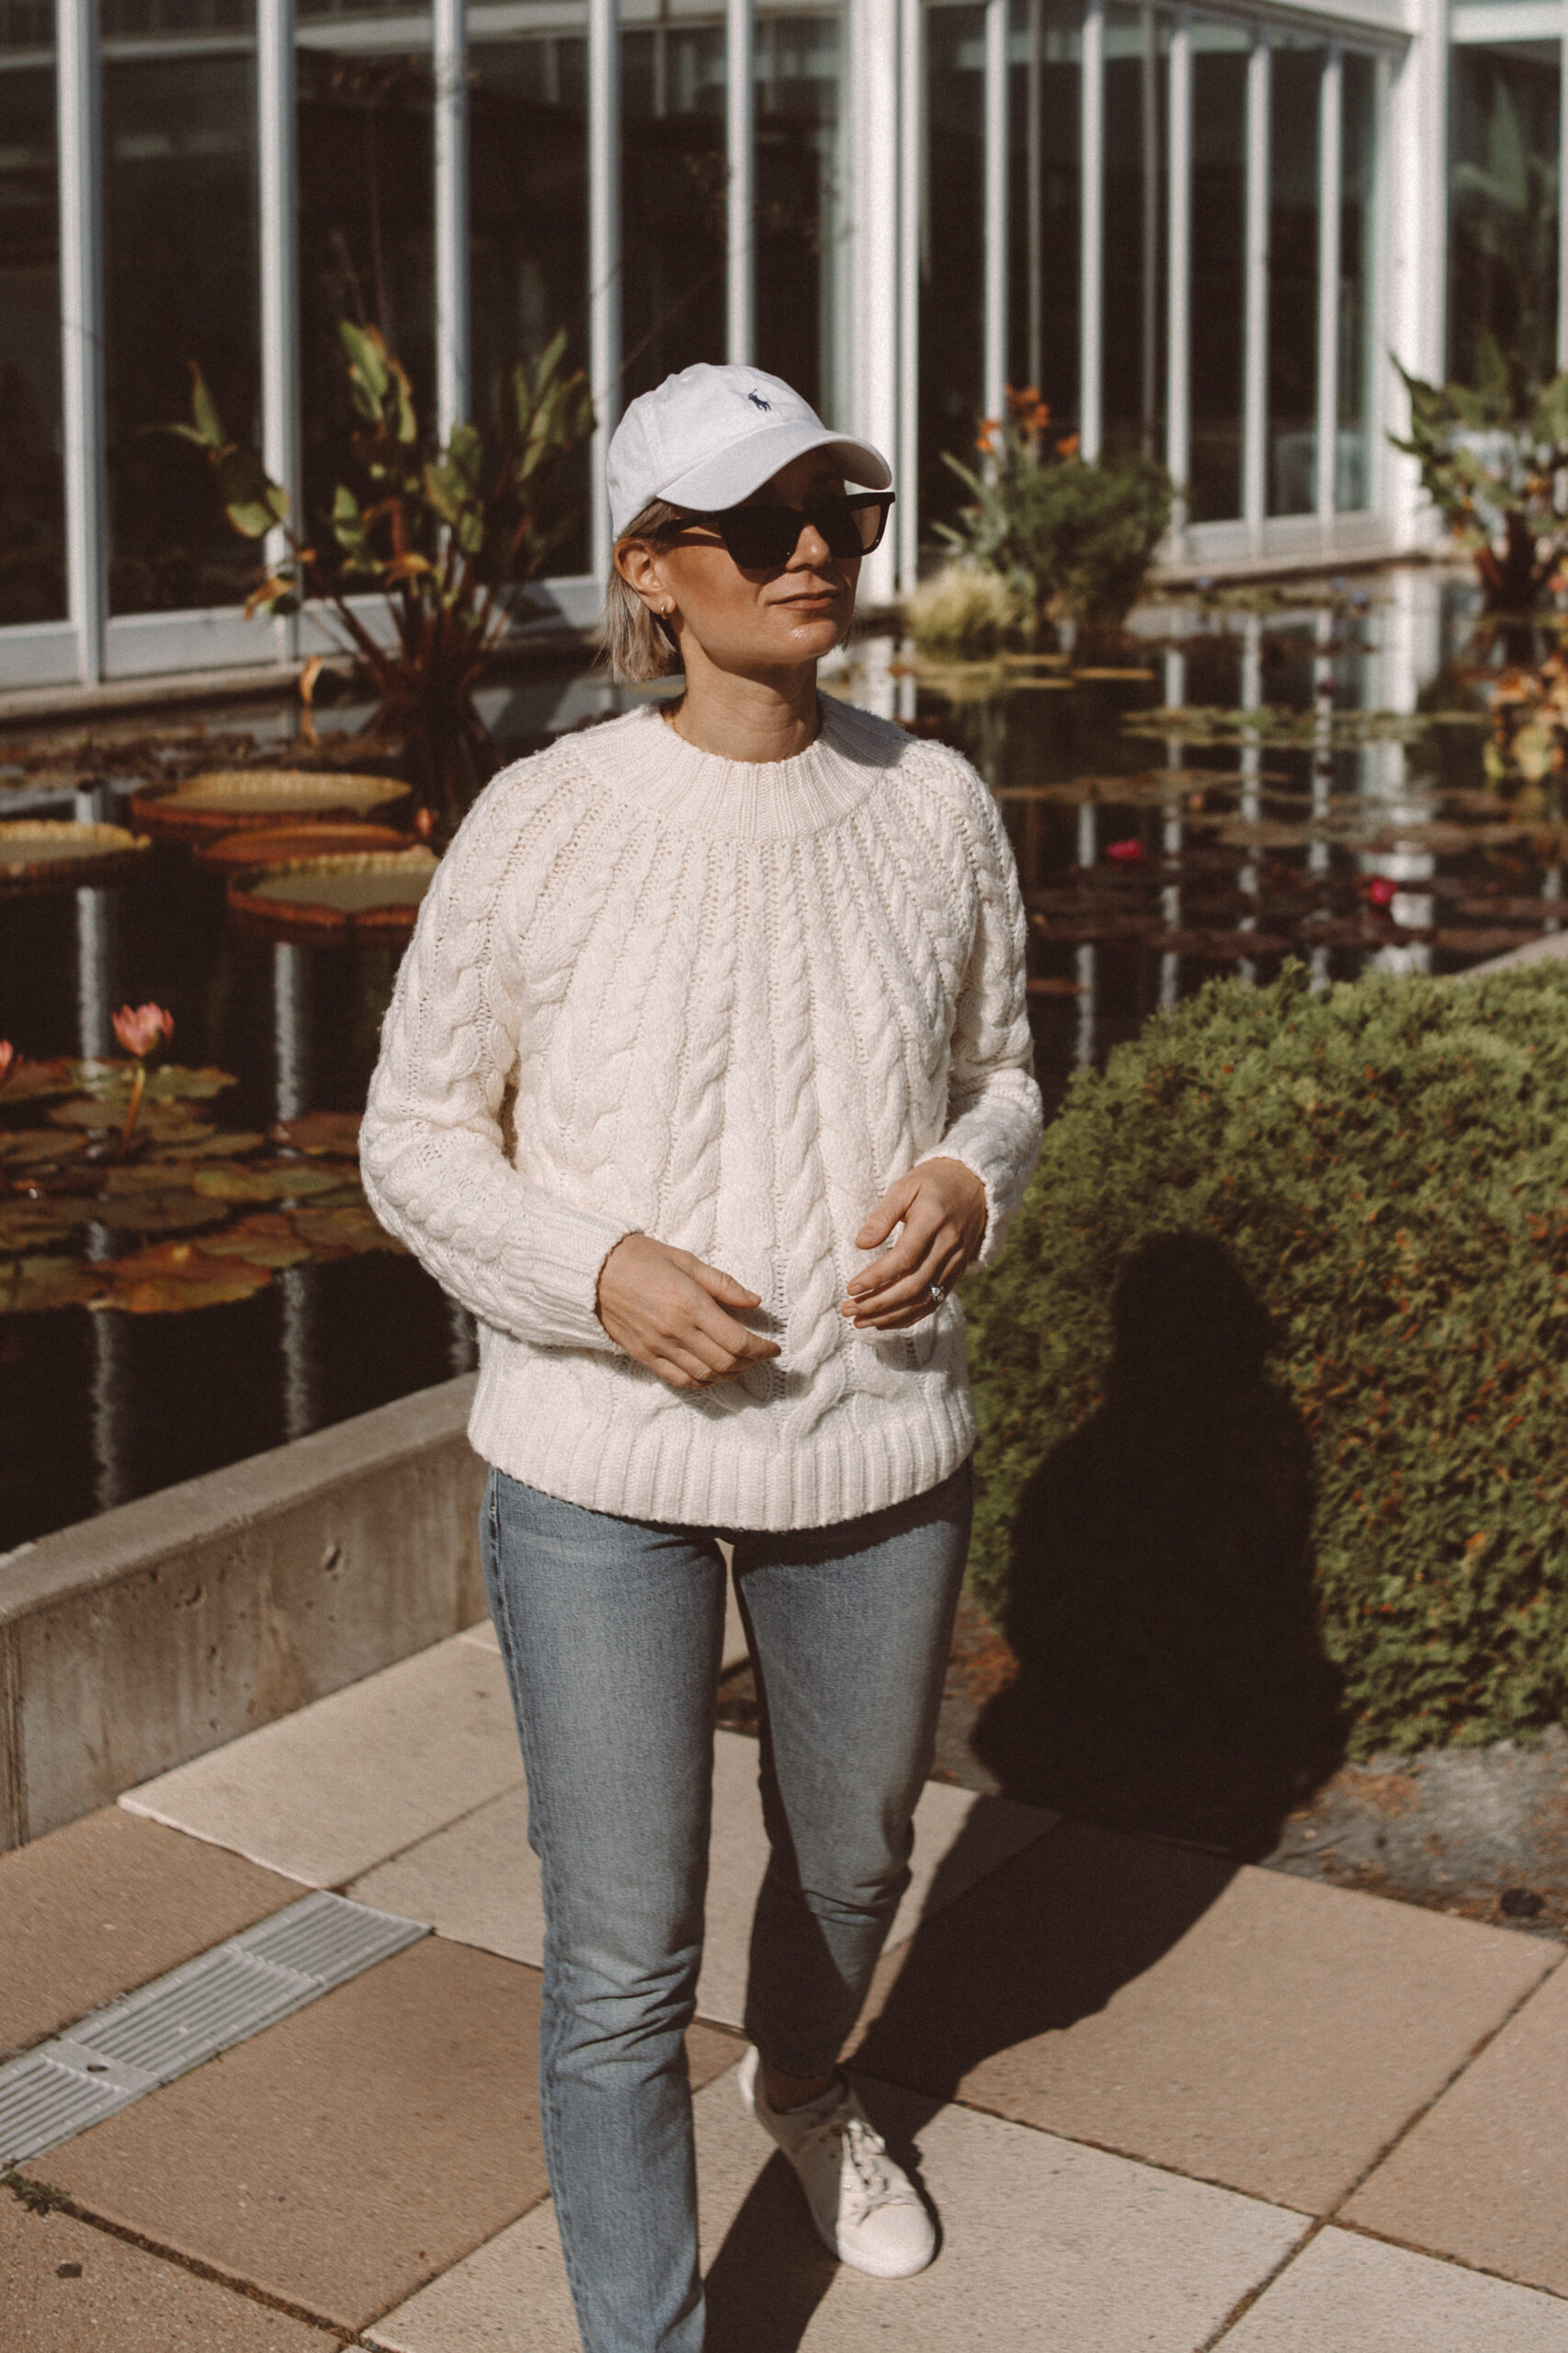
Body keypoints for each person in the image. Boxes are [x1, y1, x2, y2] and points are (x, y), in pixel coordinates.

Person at [360, 360, 1042, 2353]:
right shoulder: (542, 816)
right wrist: (595, 1269)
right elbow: (409, 1138)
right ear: (650, 570)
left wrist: (967, 1175)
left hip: (874, 1448)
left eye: (836, 504)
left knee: (852, 1864)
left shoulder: (935, 803)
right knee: (616, 1961)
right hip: (593, 1469)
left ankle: (812, 2085)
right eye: (758, 522)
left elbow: (1000, 1070)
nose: (815, 546)